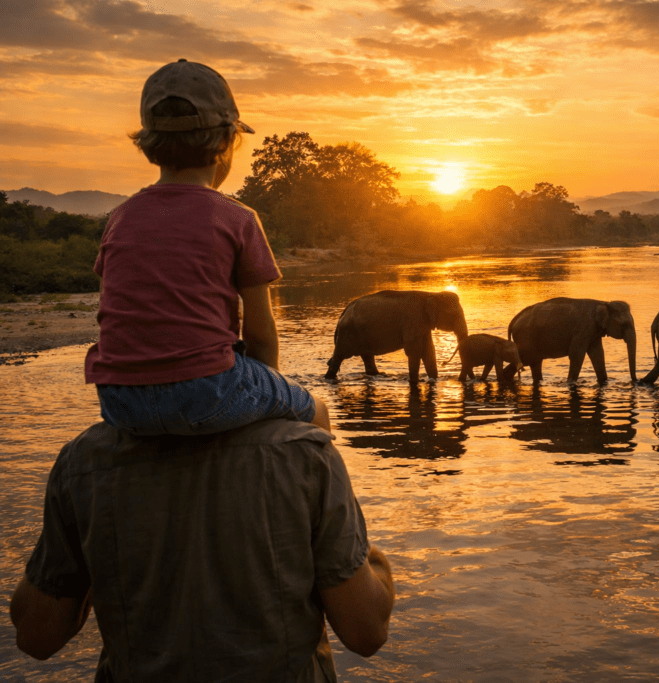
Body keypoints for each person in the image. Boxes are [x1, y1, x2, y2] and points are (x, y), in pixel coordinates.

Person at [9, 418, 395, 681]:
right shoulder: (304, 453)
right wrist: (370, 558)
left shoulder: (83, 463)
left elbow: (35, 636)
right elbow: (366, 632)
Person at [85, 59, 331, 435]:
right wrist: (271, 399)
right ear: (227, 141)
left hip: (119, 399)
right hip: (206, 392)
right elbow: (261, 336)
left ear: (148, 143)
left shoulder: (120, 217)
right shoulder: (238, 218)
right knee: (317, 411)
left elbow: (111, 315)